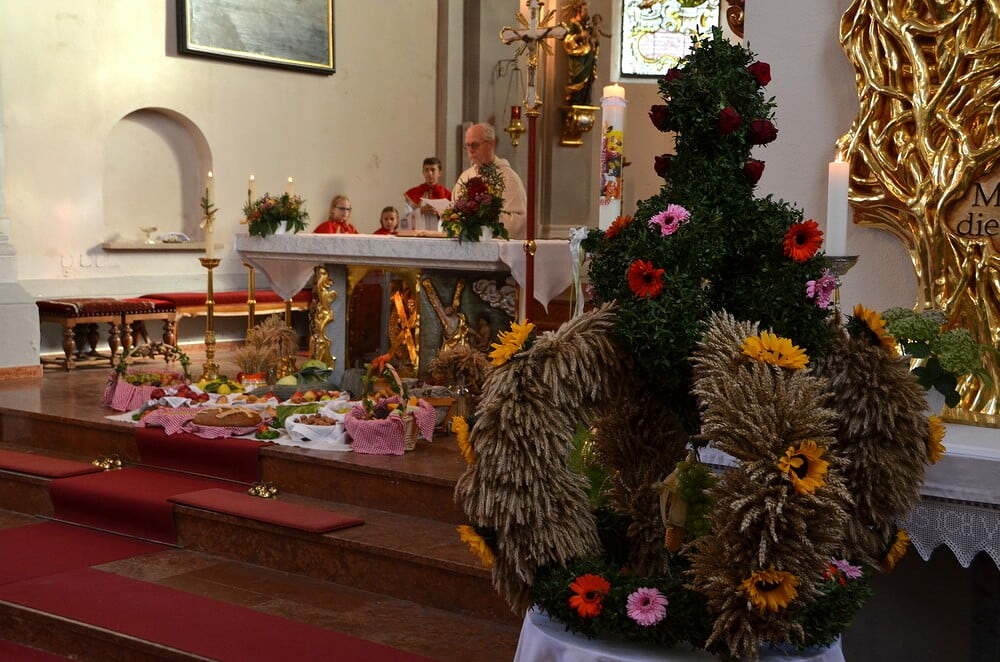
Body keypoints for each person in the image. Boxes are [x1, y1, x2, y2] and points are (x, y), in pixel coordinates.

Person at [454, 124, 527, 238]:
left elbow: (518, 222)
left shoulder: (508, 178)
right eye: (467, 145)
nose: (470, 150)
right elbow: (454, 210)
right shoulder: (465, 176)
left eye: (475, 145)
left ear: (491, 144)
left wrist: (483, 219)